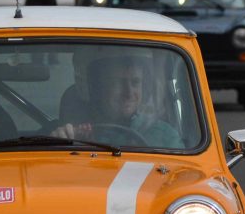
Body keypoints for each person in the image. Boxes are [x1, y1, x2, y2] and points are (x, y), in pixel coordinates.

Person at [53, 54, 183, 149]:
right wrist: (57, 141)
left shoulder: (165, 136)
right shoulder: (75, 132)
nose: (129, 93)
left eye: (135, 82)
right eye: (119, 83)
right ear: (101, 88)